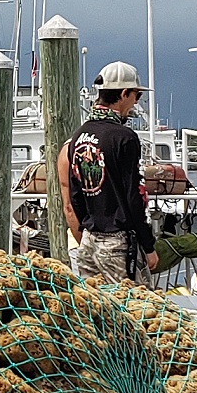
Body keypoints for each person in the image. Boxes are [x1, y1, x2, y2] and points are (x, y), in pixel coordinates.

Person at [55, 61, 161, 286]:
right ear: (124, 94)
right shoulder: (124, 137)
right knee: (132, 309)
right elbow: (134, 197)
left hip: (88, 242)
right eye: (136, 96)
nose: (135, 103)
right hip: (117, 245)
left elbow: (75, 196)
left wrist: (85, 229)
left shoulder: (78, 137)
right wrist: (148, 246)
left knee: (95, 311)